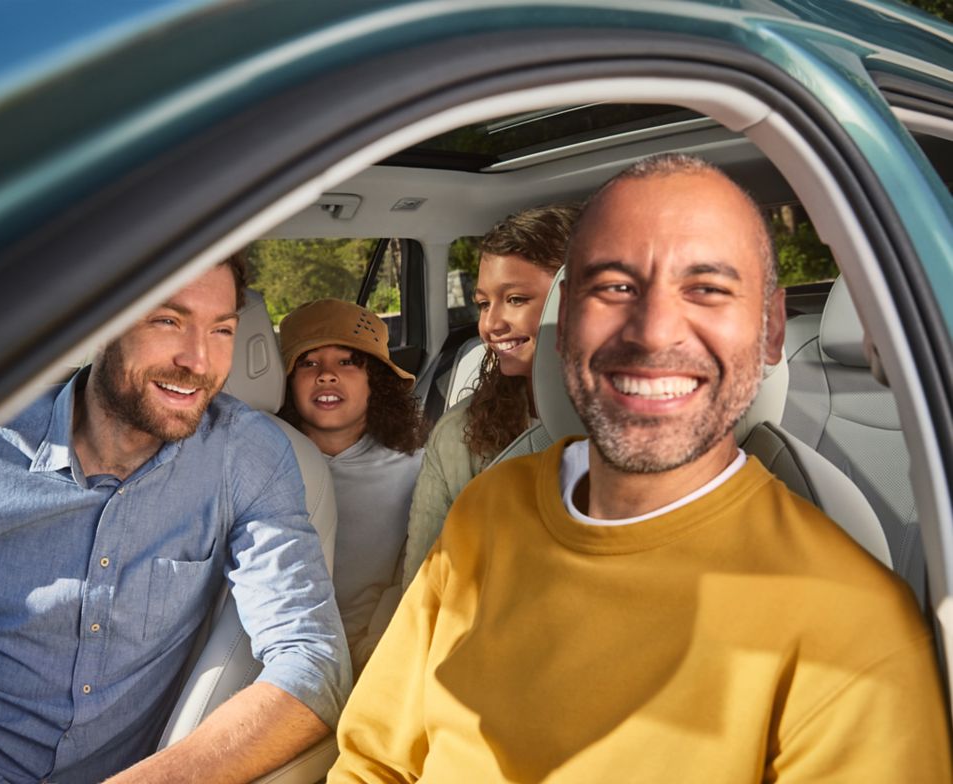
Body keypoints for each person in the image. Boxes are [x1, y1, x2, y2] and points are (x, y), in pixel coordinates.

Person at [328, 153, 952, 781]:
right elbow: (372, 761)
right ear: (566, 324)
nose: (653, 332)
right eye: (614, 288)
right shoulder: (487, 512)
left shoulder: (854, 631)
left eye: (706, 289)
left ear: (770, 330)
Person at [0, 257, 351, 784]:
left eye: (222, 330)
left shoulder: (249, 456)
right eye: (167, 320)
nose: (199, 360)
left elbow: (313, 663)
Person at [403, 204, 579, 589]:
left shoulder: (642, 422)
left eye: (515, 299)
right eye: (484, 304)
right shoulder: (457, 435)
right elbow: (423, 582)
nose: (490, 324)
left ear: (576, 301)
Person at [278, 299, 427, 673]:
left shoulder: (418, 468)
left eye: (347, 362)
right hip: (279, 659)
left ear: (376, 381)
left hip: (380, 658)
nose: (327, 375)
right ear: (287, 384)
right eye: (308, 363)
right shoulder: (262, 466)